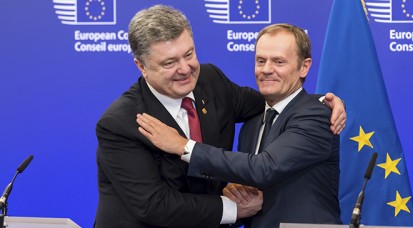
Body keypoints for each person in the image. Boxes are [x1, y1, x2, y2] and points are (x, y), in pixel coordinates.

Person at [95, 4, 345, 228]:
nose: (185, 69)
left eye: (189, 54)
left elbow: (273, 99)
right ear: (142, 66)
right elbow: (154, 205)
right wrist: (233, 209)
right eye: (170, 63)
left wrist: (319, 102)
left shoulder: (210, 80)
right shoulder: (121, 122)